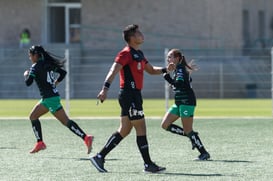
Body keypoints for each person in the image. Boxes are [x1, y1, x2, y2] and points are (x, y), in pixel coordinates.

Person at [90, 24, 166, 173]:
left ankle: (99, 156)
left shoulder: (139, 53)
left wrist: (166, 69)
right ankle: (148, 164)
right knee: (141, 128)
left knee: (124, 130)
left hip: (134, 95)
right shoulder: (125, 53)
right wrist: (104, 89)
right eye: (138, 33)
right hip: (129, 95)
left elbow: (150, 70)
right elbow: (113, 70)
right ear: (131, 38)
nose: (141, 34)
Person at [24, 45, 93, 154]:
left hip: (50, 99)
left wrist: (26, 74)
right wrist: (55, 83)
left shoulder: (35, 67)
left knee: (65, 122)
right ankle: (40, 143)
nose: (30, 58)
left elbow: (28, 83)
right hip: (49, 98)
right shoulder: (48, 64)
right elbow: (63, 73)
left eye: (30, 55)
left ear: (36, 55)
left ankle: (86, 138)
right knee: (33, 116)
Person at [161, 48, 210, 160]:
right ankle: (192, 136)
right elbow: (186, 81)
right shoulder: (178, 69)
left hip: (187, 102)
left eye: (170, 57)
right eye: (168, 57)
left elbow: (180, 84)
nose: (168, 59)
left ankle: (203, 153)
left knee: (188, 129)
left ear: (177, 58)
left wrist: (167, 78)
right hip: (179, 102)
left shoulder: (180, 69)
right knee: (165, 125)